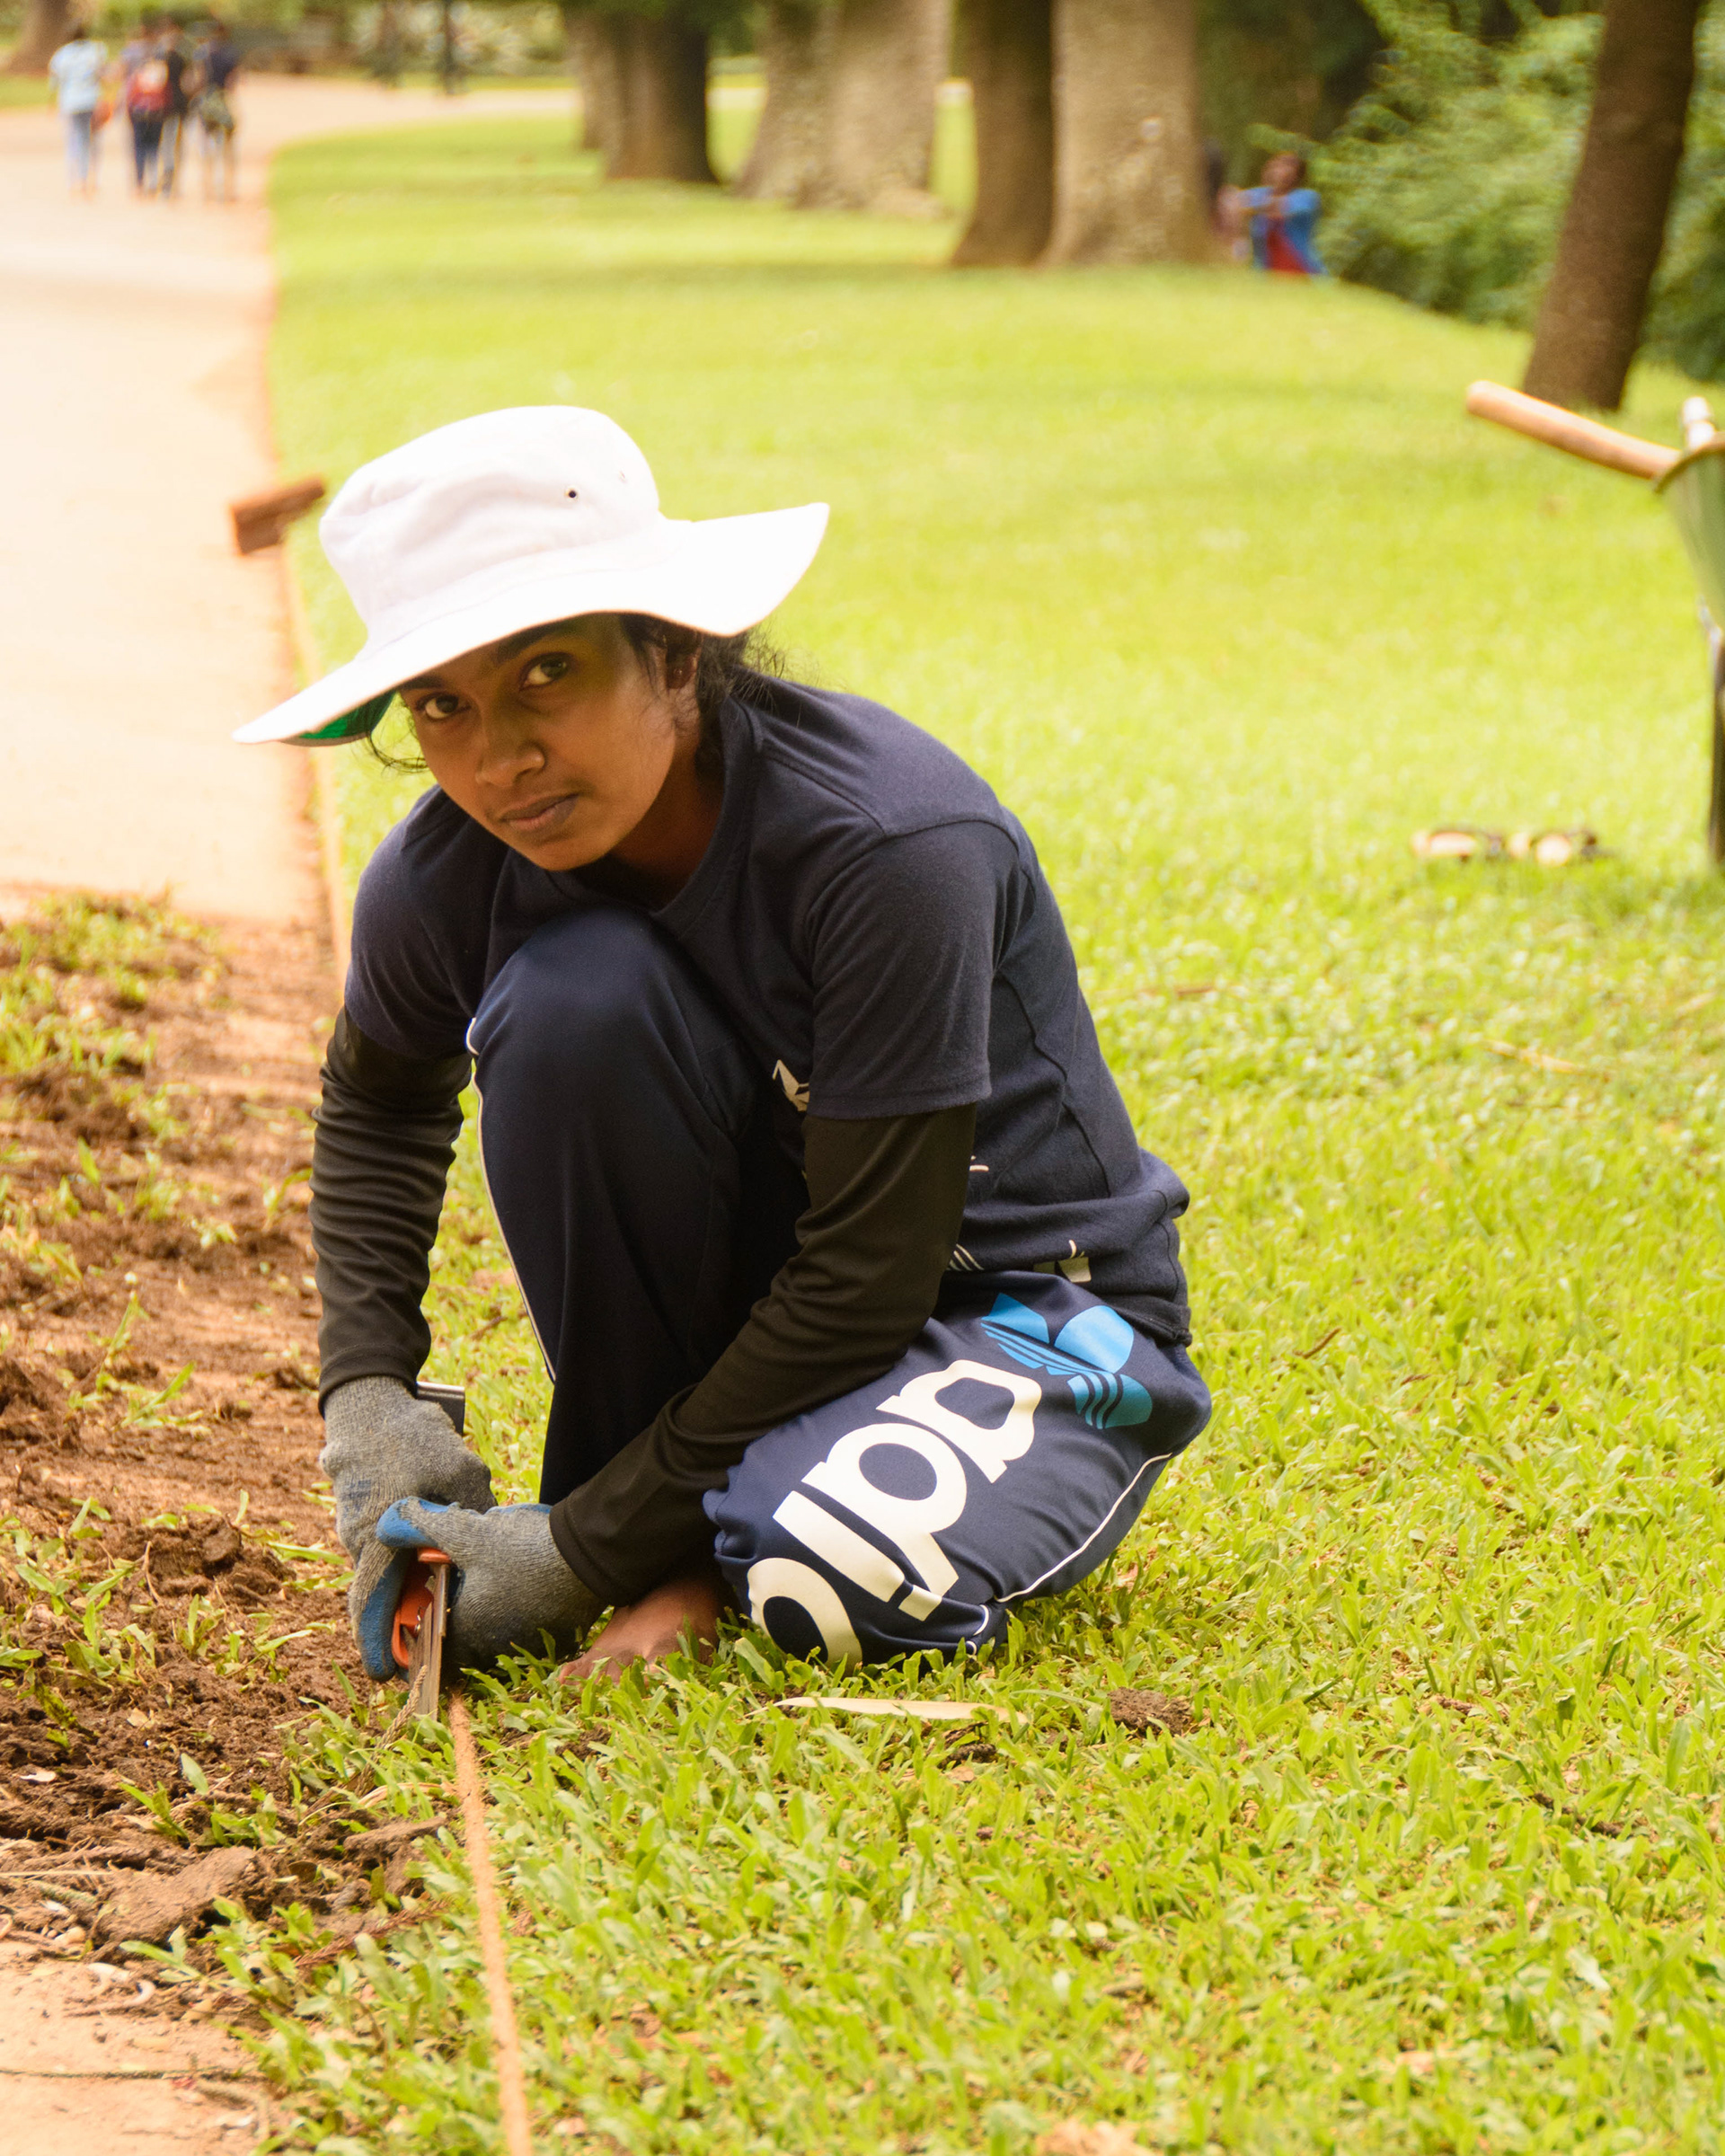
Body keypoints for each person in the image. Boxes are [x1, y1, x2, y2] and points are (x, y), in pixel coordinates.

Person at [234, 408, 1211, 1682]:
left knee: (821, 1568)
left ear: (678, 655)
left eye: (548, 672)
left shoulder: (888, 849)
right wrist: (369, 1393)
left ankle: (668, 1544)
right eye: (442, 705)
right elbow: (378, 1107)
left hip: (1020, 1311)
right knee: (576, 1002)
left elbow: (871, 1272)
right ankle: (658, 1518)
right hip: (784, 1311)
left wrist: (579, 1554)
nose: (500, 757)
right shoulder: (440, 879)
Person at [48, 22, 108, 198]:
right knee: (93, 140)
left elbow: (55, 81)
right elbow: (101, 74)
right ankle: (92, 177)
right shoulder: (96, 50)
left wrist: (51, 103)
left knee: (74, 139)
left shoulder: (62, 54)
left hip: (71, 101)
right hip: (91, 100)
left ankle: (74, 180)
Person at [1241, 152, 1324, 277]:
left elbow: (1278, 210)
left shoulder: (1307, 197)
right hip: (1265, 269)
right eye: (1277, 166)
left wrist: (1257, 205)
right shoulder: (1259, 194)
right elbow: (1235, 203)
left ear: (1297, 175)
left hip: (1300, 268)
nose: (1279, 170)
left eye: (1287, 167)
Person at [193, 17, 240, 203]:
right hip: (222, 101)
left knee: (206, 146)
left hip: (206, 103)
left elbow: (199, 80)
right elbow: (233, 83)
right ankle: (229, 189)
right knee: (228, 147)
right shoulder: (231, 53)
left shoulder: (202, 53)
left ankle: (208, 187)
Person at [123, 23, 170, 195]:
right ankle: (153, 181)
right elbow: (165, 94)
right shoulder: (160, 71)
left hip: (139, 113)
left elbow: (132, 95)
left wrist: (129, 111)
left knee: (139, 148)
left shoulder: (138, 74)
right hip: (157, 113)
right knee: (154, 148)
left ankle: (139, 183)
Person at [155, 15, 192, 199]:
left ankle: (168, 177)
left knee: (167, 143)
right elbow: (189, 82)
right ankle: (175, 181)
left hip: (165, 105)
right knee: (178, 143)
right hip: (180, 103)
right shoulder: (182, 57)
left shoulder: (160, 59)